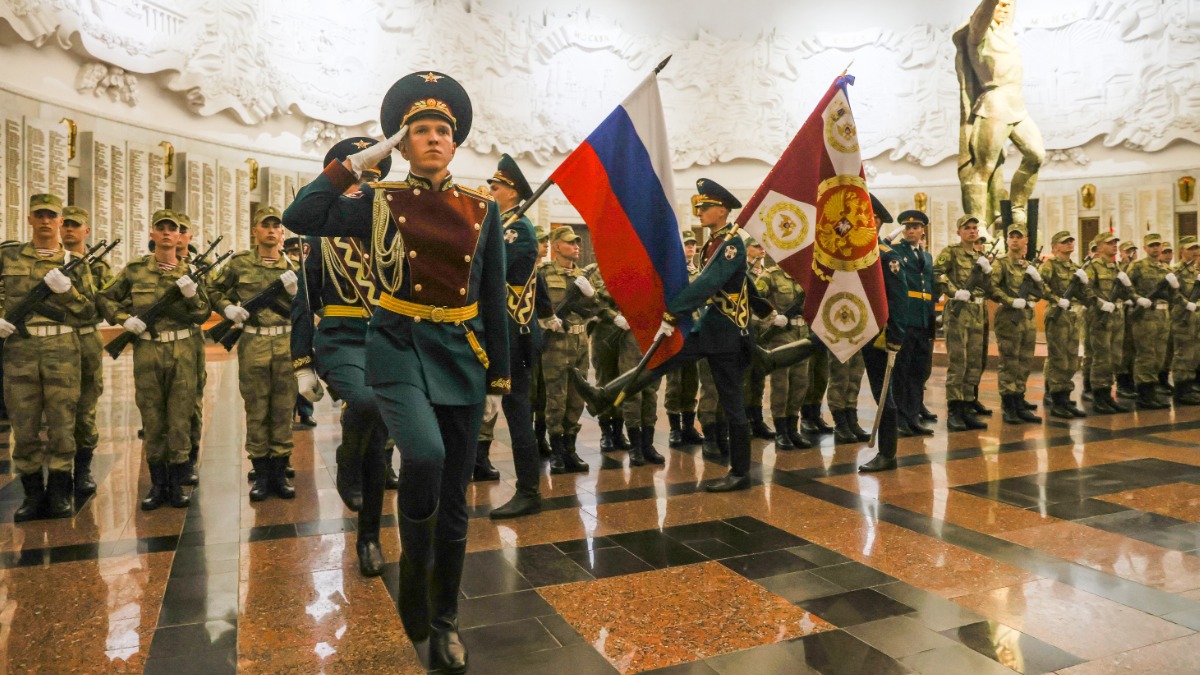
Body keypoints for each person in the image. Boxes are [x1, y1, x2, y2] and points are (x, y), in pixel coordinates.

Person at [284, 71, 510, 673]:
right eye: (419, 131)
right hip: (396, 345)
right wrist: (360, 161)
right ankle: (412, 566)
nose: (432, 138)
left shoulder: (482, 210)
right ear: (403, 145)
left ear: (455, 144)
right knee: (425, 457)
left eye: (442, 131)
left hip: (462, 352)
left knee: (456, 504)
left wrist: (499, 381)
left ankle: (444, 620)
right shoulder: (378, 201)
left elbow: (493, 298)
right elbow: (301, 216)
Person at [573, 178, 779, 492]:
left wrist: (674, 311)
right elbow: (741, 283)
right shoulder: (715, 241)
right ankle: (604, 395)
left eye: (705, 207)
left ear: (722, 210)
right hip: (709, 329)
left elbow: (709, 283)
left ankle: (740, 473)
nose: (700, 211)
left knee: (733, 403)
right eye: (698, 206)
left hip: (727, 336)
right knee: (661, 359)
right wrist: (763, 308)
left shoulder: (732, 242)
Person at [291, 137, 391, 576]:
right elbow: (304, 299)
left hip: (390, 341)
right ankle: (346, 463)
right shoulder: (320, 233)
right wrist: (303, 362)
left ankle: (369, 538)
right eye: (357, 176)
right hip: (342, 339)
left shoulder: (394, 222)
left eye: (372, 177)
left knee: (381, 444)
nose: (362, 188)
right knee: (367, 404)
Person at [98, 209, 207, 511]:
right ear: (152, 234)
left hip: (183, 350)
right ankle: (157, 484)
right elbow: (105, 298)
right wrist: (124, 319)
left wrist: (192, 295)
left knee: (180, 418)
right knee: (153, 418)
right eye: (161, 228)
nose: (167, 233)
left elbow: (201, 313)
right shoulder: (135, 270)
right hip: (147, 350)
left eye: (173, 229)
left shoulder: (190, 272)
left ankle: (176, 483)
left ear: (179, 235)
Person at [1, 194, 96, 521]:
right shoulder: (7, 256)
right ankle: (32, 496)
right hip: (20, 350)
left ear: (59, 221)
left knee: (62, 424)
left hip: (62, 350)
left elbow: (89, 311)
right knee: (24, 425)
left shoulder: (76, 263)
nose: (45, 221)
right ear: (29, 219)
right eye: (39, 215)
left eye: (51, 216)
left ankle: (59, 494)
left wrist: (67, 291)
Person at [209, 206, 300, 500]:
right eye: (266, 225)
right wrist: (227, 308)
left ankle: (280, 470)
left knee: (284, 409)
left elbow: (312, 306)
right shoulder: (240, 264)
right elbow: (212, 289)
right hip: (254, 342)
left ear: (282, 233)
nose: (272, 230)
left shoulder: (294, 267)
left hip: (285, 342)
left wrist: (298, 293)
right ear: (255, 231)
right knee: (257, 409)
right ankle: (261, 474)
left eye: (276, 226)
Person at [481, 152, 549, 518]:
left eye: (495, 185)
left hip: (514, 336)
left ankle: (529, 490)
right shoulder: (501, 224)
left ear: (511, 192)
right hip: (499, 334)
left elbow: (492, 272)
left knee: (518, 411)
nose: (489, 189)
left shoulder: (518, 229)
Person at [954, 0, 1045, 226]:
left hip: (1016, 104)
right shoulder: (978, 33)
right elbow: (982, 14)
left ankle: (1016, 206)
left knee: (1036, 154)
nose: (1004, 9)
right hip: (995, 103)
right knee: (983, 168)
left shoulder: (1006, 32)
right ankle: (978, 224)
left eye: (1007, 5)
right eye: (999, 5)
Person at [61, 206, 112, 495]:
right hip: (55, 340)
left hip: (86, 339)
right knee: (54, 409)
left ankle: (82, 470)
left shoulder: (99, 266)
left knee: (85, 405)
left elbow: (104, 305)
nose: (69, 229)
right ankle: (56, 472)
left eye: (75, 225)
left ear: (86, 231)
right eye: (65, 224)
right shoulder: (47, 262)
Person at [537, 226, 595, 473]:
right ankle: (557, 451)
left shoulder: (583, 275)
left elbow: (594, 310)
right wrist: (546, 319)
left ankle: (571, 449)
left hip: (580, 343)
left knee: (576, 397)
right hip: (555, 344)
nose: (576, 246)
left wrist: (591, 295)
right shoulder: (544, 273)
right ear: (556, 245)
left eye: (577, 243)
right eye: (570, 243)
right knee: (556, 398)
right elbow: (536, 305)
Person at [857, 231, 911, 473]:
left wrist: (895, 336)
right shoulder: (855, 253)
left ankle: (887, 453)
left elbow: (899, 299)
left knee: (883, 394)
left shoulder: (887, 255)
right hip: (857, 329)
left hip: (880, 334)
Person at [936, 214, 992, 431]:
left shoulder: (980, 255)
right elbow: (937, 274)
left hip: (977, 311)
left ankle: (968, 408)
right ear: (959, 232)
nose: (971, 231)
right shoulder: (951, 252)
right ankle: (954, 410)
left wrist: (987, 272)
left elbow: (987, 287)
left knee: (974, 363)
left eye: (974, 228)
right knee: (959, 362)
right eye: (967, 228)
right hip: (959, 312)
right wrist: (953, 291)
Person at [754, 256, 814, 449]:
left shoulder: (807, 276)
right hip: (781, 334)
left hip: (802, 333)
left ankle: (793, 428)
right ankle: (781, 430)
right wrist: (771, 317)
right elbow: (754, 298)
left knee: (800, 382)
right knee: (781, 383)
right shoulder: (770, 276)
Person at [990, 227, 1043, 423]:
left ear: (1025, 241)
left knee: (1025, 361)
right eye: (1011, 236)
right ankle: (1009, 405)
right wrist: (1010, 301)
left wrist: (1036, 278)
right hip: (1009, 317)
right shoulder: (1001, 264)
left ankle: (1020, 401)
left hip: (1027, 317)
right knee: (1010, 362)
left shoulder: (1028, 265)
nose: (1014, 240)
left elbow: (1042, 291)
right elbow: (992, 288)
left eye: (1018, 237)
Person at [890, 211, 936, 436]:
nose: (910, 230)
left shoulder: (927, 257)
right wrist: (889, 238)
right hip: (905, 320)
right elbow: (877, 249)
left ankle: (913, 416)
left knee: (918, 372)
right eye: (906, 227)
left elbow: (930, 289)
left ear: (922, 231)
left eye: (915, 227)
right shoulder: (895, 251)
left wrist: (931, 323)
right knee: (902, 371)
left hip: (923, 321)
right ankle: (899, 419)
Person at [663, 232, 706, 449]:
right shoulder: (670, 272)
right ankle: (674, 428)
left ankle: (688, 426)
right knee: (674, 382)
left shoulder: (697, 272)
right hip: (676, 332)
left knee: (691, 381)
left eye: (692, 244)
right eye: (686, 245)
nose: (690, 248)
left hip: (694, 332)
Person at [1039, 231, 1089, 418]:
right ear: (1055, 247)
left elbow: (1083, 293)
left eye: (1071, 241)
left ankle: (1066, 398)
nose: (1069, 244)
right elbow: (1040, 285)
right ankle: (1057, 400)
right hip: (1056, 313)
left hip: (1072, 315)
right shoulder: (1050, 265)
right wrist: (1055, 299)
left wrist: (1085, 284)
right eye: (1064, 242)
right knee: (1058, 357)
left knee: (1071, 358)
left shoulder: (1075, 268)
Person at [1084, 232, 1132, 414]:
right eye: (1110, 243)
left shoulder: (1116, 267)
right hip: (1100, 317)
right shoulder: (1093, 266)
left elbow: (1127, 291)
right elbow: (1085, 290)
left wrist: (1128, 290)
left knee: (1114, 357)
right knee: (1101, 357)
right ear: (1099, 246)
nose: (1114, 245)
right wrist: (1100, 303)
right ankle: (1099, 396)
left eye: (1115, 243)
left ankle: (1108, 395)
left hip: (1117, 316)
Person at [1126, 233, 1174, 410]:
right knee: (1146, 354)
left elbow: (1173, 295)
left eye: (1157, 245)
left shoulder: (1166, 270)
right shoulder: (1137, 266)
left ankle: (1153, 390)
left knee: (1159, 356)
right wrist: (1138, 300)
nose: (1155, 248)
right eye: (1151, 245)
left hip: (1163, 316)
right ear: (1145, 248)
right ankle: (1144, 394)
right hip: (1145, 316)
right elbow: (1126, 287)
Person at [743, 237, 774, 440]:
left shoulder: (767, 273)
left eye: (763, 246)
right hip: (746, 329)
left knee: (759, 377)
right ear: (747, 249)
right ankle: (743, 420)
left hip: (764, 331)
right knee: (744, 377)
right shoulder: (741, 271)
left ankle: (757, 419)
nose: (761, 249)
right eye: (756, 246)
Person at [287, 236, 319, 428]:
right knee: (289, 376)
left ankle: (306, 411)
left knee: (307, 365)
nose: (296, 256)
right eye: (292, 252)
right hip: (285, 328)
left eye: (298, 252)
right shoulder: (285, 270)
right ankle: (288, 412)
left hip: (306, 326)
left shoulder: (308, 270)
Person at [1170, 237, 1200, 405]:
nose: (1194, 252)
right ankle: (1181, 389)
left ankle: (1189, 386)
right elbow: (1173, 293)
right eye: (1190, 249)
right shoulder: (1177, 271)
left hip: (1195, 318)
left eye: (1196, 248)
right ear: (1181, 251)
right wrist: (1185, 303)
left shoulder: (1195, 271)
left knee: (1194, 353)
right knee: (1183, 353)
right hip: (1182, 318)